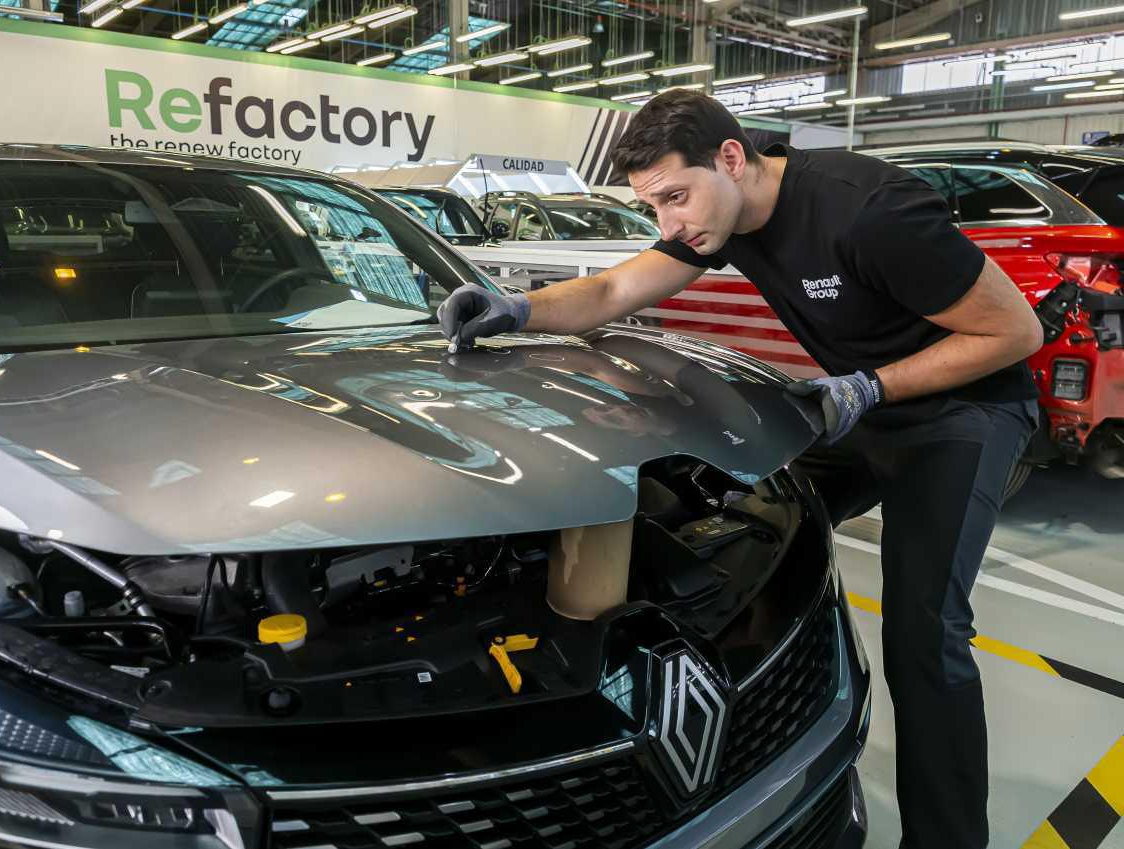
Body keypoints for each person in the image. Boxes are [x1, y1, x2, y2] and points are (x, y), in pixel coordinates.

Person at [437, 89, 1042, 848]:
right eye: (654, 206)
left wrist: (869, 385)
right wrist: (514, 308)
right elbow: (616, 289)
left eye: (675, 199)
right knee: (727, 517)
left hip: (965, 412)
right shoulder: (720, 213)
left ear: (731, 158)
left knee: (924, 631)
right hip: (861, 411)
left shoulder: (868, 209)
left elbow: (1015, 330)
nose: (671, 224)